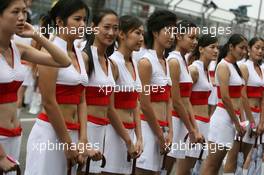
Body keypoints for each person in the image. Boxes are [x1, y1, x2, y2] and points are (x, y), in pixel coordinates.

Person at [24, 1, 102, 175]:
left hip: (73, 134)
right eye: (77, 19)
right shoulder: (48, 53)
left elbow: (82, 99)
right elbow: (49, 102)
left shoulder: (82, 56)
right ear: (59, 22)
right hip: (51, 134)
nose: (82, 24)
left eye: (85, 19)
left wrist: (83, 139)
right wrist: (67, 143)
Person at [0, 0, 72, 174]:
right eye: (15, 11)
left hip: (15, 134)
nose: (21, 17)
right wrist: (1, 156)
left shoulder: (18, 49)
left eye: (24, 12)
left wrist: (36, 35)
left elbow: (64, 61)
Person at [82, 9, 138, 174]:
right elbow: (78, 102)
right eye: (106, 27)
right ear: (93, 27)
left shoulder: (110, 64)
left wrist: (129, 140)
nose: (111, 32)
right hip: (85, 131)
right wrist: (83, 141)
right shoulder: (85, 58)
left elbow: (109, 107)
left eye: (115, 28)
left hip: (102, 132)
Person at [135, 10, 176, 175]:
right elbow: (144, 104)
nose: (172, 35)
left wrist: (170, 132)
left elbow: (169, 100)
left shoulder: (166, 62)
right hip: (148, 129)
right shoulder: (146, 62)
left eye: (174, 31)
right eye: (168, 30)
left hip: (163, 132)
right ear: (155, 32)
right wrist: (160, 136)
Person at [101, 15, 144, 175]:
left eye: (142, 34)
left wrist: (139, 138)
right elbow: (109, 108)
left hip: (130, 134)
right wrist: (128, 140)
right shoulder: (113, 63)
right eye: (137, 33)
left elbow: (136, 104)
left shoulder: (134, 63)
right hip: (113, 134)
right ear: (122, 34)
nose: (141, 38)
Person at [201, 34, 248, 175]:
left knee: (216, 165)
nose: (244, 51)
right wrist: (237, 123)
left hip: (231, 120)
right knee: (212, 163)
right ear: (231, 47)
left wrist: (240, 121)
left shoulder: (235, 67)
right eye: (241, 48)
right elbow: (225, 98)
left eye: (246, 48)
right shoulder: (223, 65)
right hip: (222, 120)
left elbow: (239, 97)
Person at [165, 20, 202, 175]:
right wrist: (192, 129)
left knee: (168, 169)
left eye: (196, 38)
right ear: (179, 36)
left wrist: (194, 128)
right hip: (172, 121)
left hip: (181, 122)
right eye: (191, 37)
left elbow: (186, 100)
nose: (195, 41)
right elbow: (176, 100)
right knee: (163, 168)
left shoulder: (183, 60)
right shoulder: (173, 61)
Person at [224, 37, 264, 173]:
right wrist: (251, 123)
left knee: (245, 156)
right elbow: (243, 96)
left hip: (257, 119)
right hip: (246, 118)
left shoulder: (261, 69)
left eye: (263, 49)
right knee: (234, 157)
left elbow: (263, 99)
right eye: (257, 47)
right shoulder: (244, 67)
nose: (260, 51)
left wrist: (261, 123)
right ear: (249, 49)